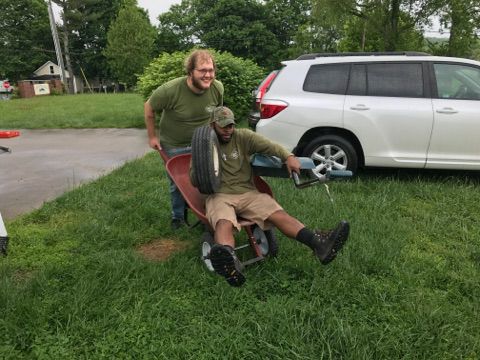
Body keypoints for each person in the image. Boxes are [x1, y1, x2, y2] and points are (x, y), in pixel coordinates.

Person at [193, 106, 350, 287]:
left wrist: (288, 156)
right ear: (213, 125)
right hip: (219, 195)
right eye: (223, 127)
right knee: (223, 222)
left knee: (279, 214)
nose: (228, 130)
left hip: (248, 192)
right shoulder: (203, 146)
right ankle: (229, 262)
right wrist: (202, 170)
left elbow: (269, 146)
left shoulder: (242, 136)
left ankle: (319, 245)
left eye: (231, 126)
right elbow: (194, 179)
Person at [144, 49, 224, 229]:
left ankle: (208, 214)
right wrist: (152, 137)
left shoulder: (217, 88)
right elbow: (149, 107)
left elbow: (216, 114)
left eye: (211, 70)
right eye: (202, 70)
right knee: (178, 183)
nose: (208, 75)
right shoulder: (170, 90)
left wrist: (214, 136)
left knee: (208, 179)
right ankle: (178, 217)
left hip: (203, 143)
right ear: (190, 71)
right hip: (174, 144)